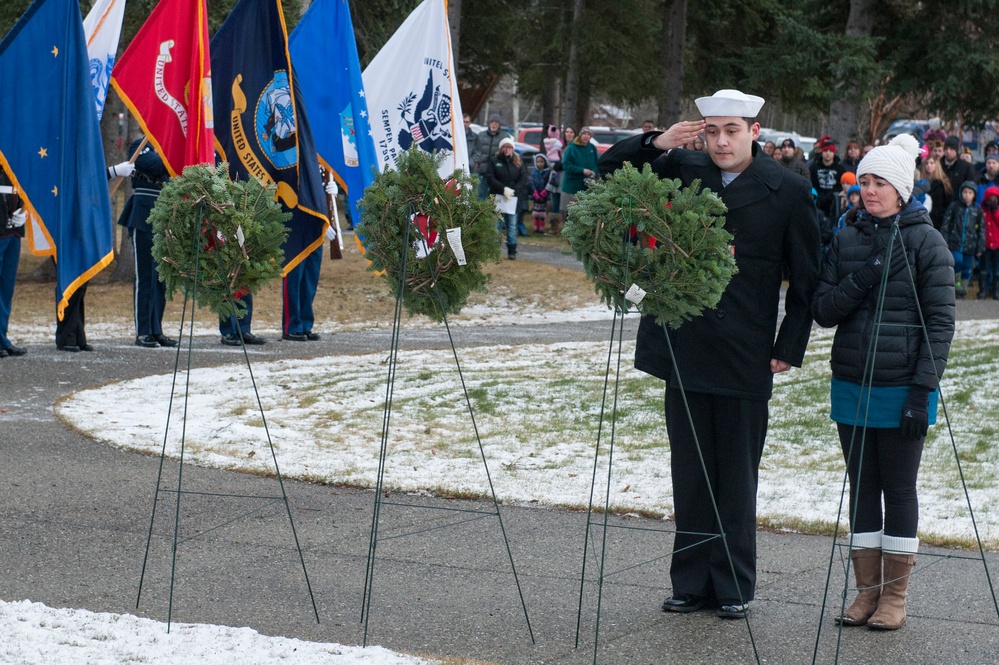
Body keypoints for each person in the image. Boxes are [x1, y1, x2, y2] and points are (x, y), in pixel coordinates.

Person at [600, 89, 820, 620]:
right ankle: (691, 581)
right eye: (713, 131)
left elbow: (807, 278)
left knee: (736, 476)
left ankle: (733, 583)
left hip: (746, 351)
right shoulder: (682, 169)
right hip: (686, 344)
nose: (721, 142)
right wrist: (657, 142)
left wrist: (788, 346)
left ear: (754, 132)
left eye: (732, 131)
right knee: (691, 471)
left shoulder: (788, 189)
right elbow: (610, 174)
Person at [812, 133, 955, 631]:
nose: (869, 190)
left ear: (902, 190)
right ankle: (865, 592)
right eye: (865, 181)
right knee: (862, 488)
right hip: (852, 383)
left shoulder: (926, 242)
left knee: (898, 488)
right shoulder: (846, 237)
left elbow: (941, 323)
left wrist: (922, 391)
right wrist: (867, 274)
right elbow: (823, 310)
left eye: (880, 183)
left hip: (903, 387)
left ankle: (894, 596)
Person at [117, 138, 178, 349]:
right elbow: (156, 164)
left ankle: (156, 329)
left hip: (165, 216)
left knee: (161, 278)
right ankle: (143, 331)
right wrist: (171, 158)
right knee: (145, 277)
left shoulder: (168, 146)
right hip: (143, 214)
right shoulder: (140, 146)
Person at [484, 136, 529, 259]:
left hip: (512, 199)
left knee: (512, 225)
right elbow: (490, 178)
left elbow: (524, 178)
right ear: (501, 148)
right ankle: (494, 250)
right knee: (496, 225)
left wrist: (513, 191)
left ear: (513, 149)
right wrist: (503, 189)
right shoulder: (494, 161)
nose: (507, 149)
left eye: (509, 147)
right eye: (505, 147)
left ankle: (512, 251)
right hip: (498, 196)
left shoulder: (518, 162)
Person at [940, 180, 985, 298]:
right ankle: (957, 283)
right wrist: (945, 240)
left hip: (970, 245)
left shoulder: (977, 210)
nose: (967, 195)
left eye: (970, 193)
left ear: (974, 195)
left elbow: (981, 230)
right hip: (955, 242)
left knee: (967, 266)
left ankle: (964, 286)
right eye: (965, 192)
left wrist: (980, 246)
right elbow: (946, 223)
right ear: (961, 192)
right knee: (957, 261)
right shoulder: (954, 206)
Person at [0, 169, 25, 359]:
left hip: (13, 231)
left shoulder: (15, 164)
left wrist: (24, 211)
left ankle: (3, 338)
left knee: (6, 288)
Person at [559, 126, 599, 236]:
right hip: (571, 185)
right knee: (570, 211)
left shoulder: (592, 148)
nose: (586, 136)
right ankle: (569, 234)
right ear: (580, 135)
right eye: (584, 134)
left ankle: (582, 234)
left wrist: (593, 172)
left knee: (584, 211)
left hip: (586, 185)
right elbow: (566, 165)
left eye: (588, 134)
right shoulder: (572, 148)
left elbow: (597, 163)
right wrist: (582, 170)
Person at [470, 114, 511, 200]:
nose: (494, 124)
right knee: (480, 195)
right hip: (482, 170)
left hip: (497, 172)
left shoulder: (504, 136)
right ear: (489, 123)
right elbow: (476, 150)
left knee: (496, 196)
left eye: (496, 123)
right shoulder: (481, 135)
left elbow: (507, 153)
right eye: (492, 122)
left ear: (499, 124)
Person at [940, 135, 976, 206]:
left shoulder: (966, 167)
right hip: (939, 205)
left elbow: (970, 187)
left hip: (958, 206)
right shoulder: (938, 165)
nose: (948, 151)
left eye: (951, 149)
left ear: (956, 150)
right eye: (946, 149)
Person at [921, 154, 951, 229]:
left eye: (931, 163)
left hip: (937, 221)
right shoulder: (921, 183)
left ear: (936, 165)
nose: (929, 165)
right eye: (927, 163)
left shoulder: (943, 184)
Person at [980, 185, 999, 299]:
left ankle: (996, 290)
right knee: (984, 269)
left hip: (997, 245)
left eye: (995, 199)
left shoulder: (997, 211)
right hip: (985, 244)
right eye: (990, 199)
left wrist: (995, 210)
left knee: (997, 270)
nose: (992, 201)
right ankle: (983, 290)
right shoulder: (982, 211)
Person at [529, 154, 551, 234]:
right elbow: (531, 182)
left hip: (544, 195)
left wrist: (545, 192)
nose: (540, 164)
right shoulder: (534, 172)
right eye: (538, 162)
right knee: (536, 211)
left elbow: (549, 182)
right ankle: (536, 225)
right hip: (536, 195)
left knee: (542, 212)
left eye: (541, 162)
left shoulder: (548, 172)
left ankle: (541, 226)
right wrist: (534, 191)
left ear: (545, 162)